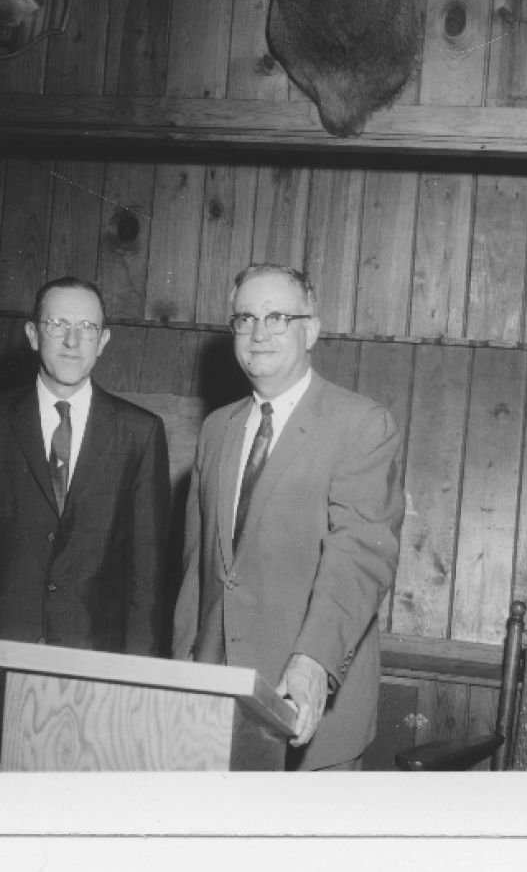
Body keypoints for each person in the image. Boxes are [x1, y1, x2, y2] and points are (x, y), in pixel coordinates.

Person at [0, 276, 172, 770]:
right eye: (58, 324)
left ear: (104, 341)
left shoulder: (140, 435)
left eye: (86, 327)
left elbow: (146, 583)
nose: (72, 340)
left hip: (93, 682)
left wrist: (136, 692)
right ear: (33, 334)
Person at [172, 264, 404, 771]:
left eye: (277, 317)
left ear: (311, 331)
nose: (259, 333)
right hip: (215, 708)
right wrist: (181, 674)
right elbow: (198, 568)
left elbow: (359, 557)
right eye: (245, 318)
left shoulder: (361, 424)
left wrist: (313, 664)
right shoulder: (217, 429)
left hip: (307, 711)